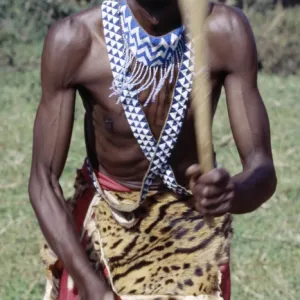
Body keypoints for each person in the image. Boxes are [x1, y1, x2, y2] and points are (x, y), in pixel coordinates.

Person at [28, 0, 277, 299]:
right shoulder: (75, 40)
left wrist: (232, 192)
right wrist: (91, 285)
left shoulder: (225, 30)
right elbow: (42, 180)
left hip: (189, 228)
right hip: (107, 221)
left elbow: (262, 168)